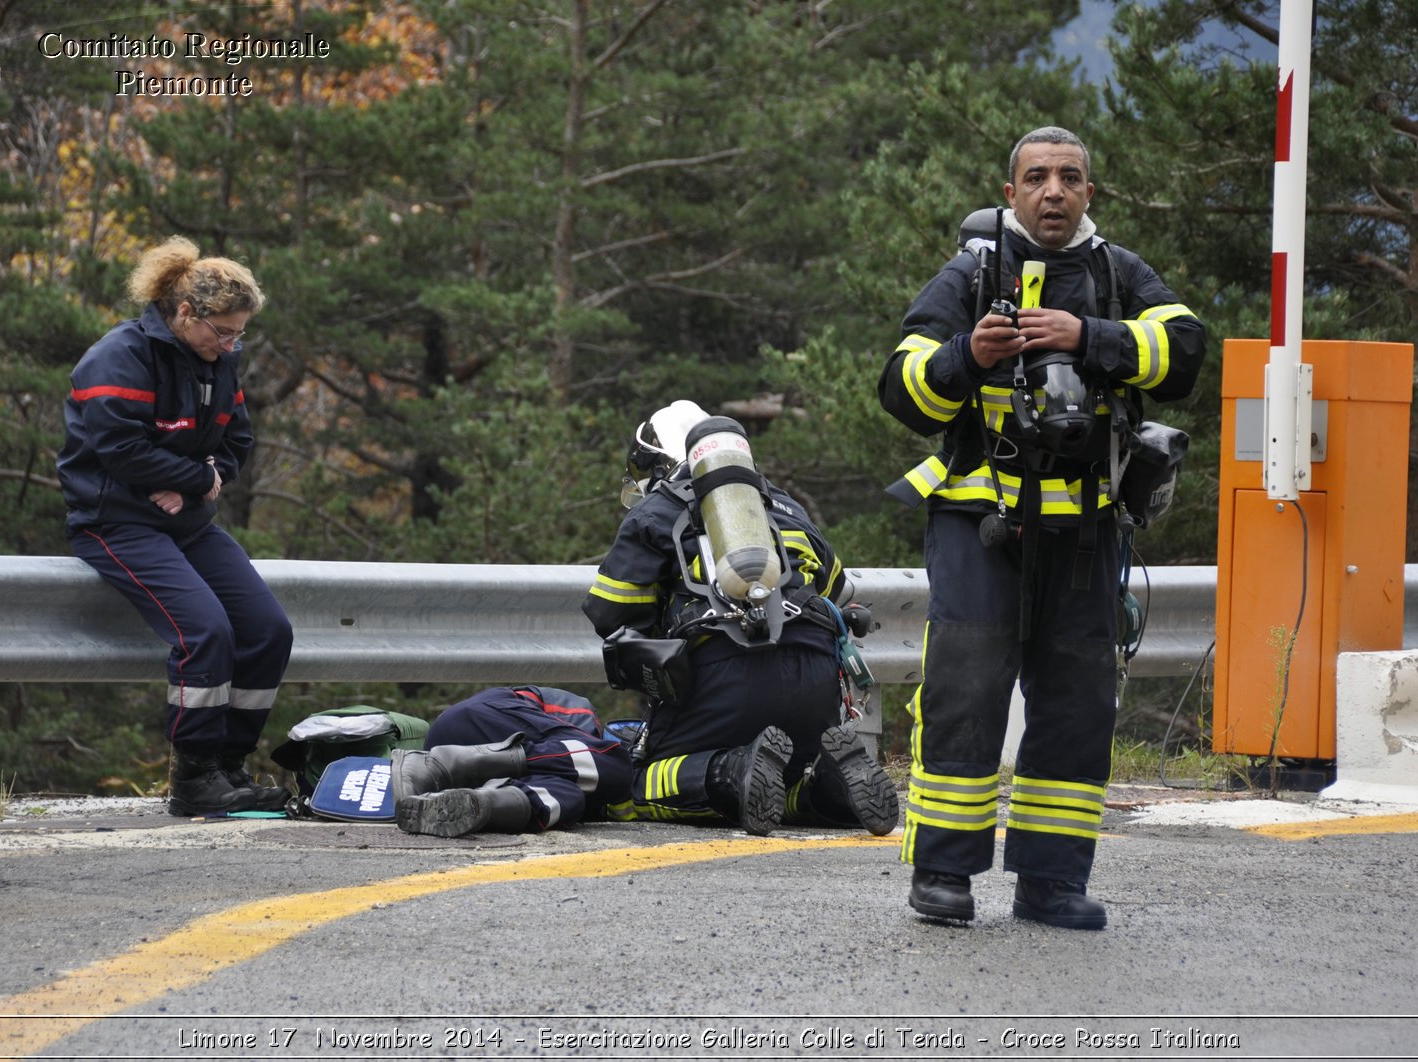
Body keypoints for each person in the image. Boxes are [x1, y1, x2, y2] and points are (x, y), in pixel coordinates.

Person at [879, 127, 1206, 928]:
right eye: (1037, 177)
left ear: (1090, 193)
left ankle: (1053, 881)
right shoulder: (971, 272)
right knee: (967, 689)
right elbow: (901, 387)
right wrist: (966, 354)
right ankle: (943, 875)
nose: (1053, 191)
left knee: (1077, 700)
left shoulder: (1116, 271)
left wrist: (1085, 337)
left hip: (1089, 527)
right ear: (1011, 190)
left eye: (1069, 177)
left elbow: (1189, 353)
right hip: (979, 518)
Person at [581, 400, 899, 838]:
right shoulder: (783, 506)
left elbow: (609, 612)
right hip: (815, 678)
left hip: (725, 677)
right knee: (780, 781)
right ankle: (829, 786)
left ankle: (729, 770)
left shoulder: (656, 511)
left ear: (660, 464)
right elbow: (834, 587)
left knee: (637, 783)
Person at [57, 236, 293, 817]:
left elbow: (237, 439)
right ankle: (193, 779)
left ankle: (229, 769)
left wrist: (200, 477)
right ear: (187, 312)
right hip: (114, 521)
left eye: (239, 334)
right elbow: (116, 447)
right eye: (223, 332)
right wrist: (192, 475)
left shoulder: (218, 359)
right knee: (205, 633)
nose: (231, 344)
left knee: (268, 631)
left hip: (187, 522)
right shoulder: (120, 355)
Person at [391, 685, 638, 837]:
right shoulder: (586, 718)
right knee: (615, 766)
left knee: (571, 799)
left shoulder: (576, 774)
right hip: (472, 723)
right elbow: (602, 758)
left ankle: (481, 804)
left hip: (479, 771)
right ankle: (438, 765)